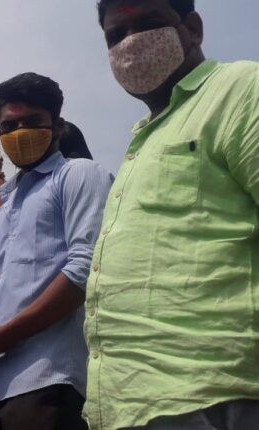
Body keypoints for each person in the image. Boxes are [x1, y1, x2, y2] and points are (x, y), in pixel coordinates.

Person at [85, 1, 259, 429]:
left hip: (209, 395)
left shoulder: (239, 89)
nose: (131, 44)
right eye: (115, 35)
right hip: (126, 402)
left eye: (148, 24)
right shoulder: (146, 133)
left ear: (193, 29)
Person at [0, 73, 113, 430]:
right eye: (9, 125)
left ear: (56, 126)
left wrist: (3, 336)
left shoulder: (79, 175)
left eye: (33, 122)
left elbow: (85, 269)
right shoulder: (4, 206)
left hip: (50, 378)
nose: (20, 131)